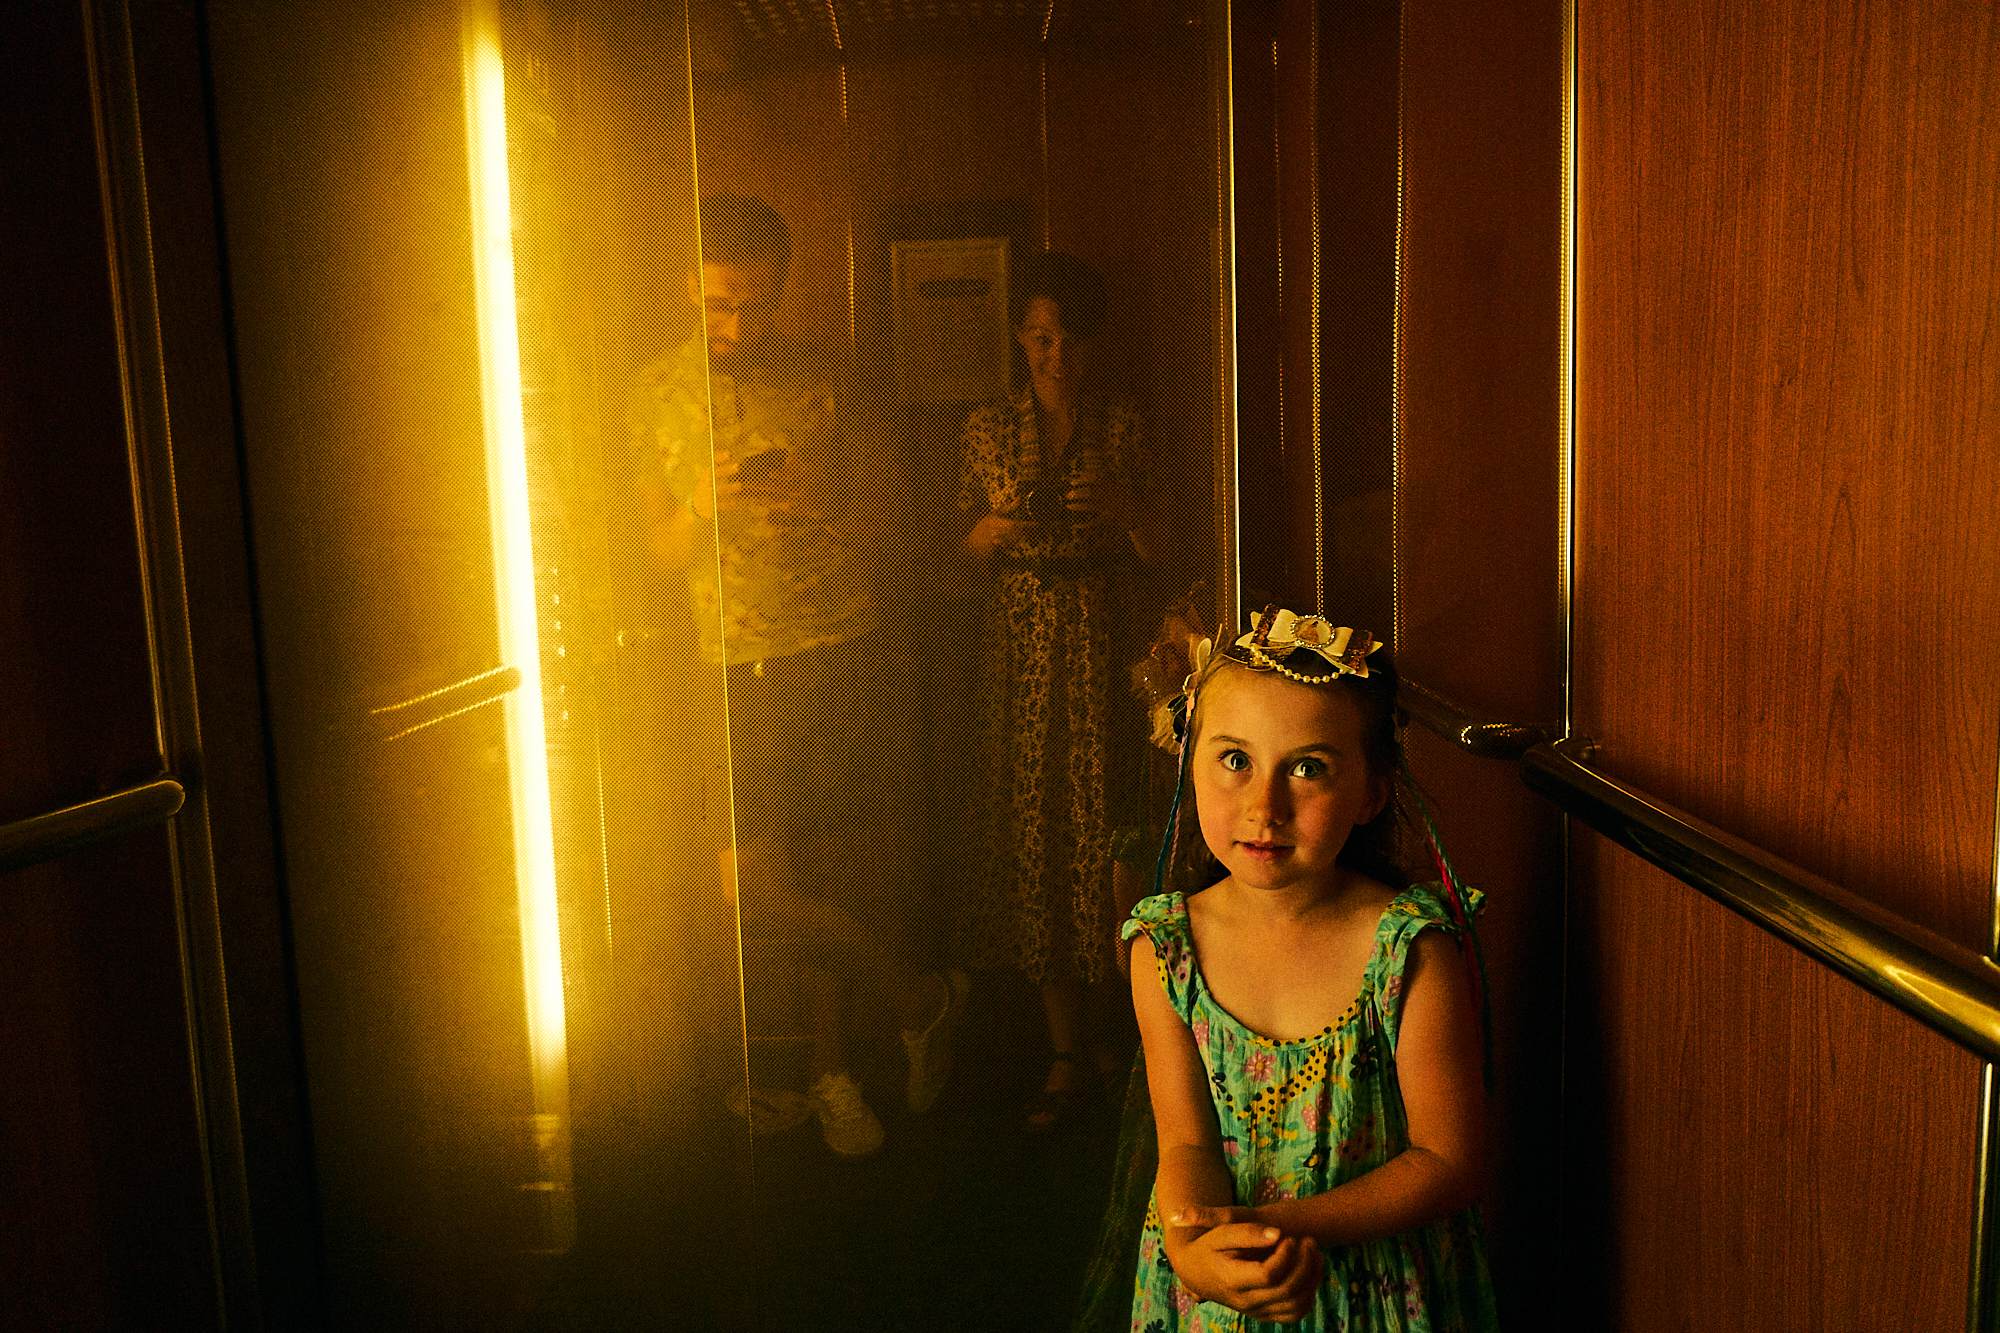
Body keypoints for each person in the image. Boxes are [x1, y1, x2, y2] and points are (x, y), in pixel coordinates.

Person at [628, 194, 969, 1155]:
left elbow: (897, 525)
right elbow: (656, 553)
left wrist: (827, 500)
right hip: (731, 657)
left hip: (839, 644)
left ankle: (831, 1074)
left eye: (754, 307)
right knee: (754, 884)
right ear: (686, 288)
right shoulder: (650, 390)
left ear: (780, 292)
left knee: (833, 870)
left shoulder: (829, 377)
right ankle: (920, 995)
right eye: (716, 305)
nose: (734, 327)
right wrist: (699, 508)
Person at [1122, 608, 1499, 1329]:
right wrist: (1191, 1246)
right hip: (1225, 1285)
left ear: (1371, 792)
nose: (1265, 806)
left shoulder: (1410, 947)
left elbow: (1449, 1158)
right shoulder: (1164, 946)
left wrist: (1280, 1225)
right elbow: (1188, 1143)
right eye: (1235, 759)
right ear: (1188, 760)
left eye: (1308, 767)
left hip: (1379, 1293)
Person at [956, 251, 1156, 1131]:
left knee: (1109, 836)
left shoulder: (1125, 425)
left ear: (1095, 345)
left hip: (1107, 644)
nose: (1054, 355)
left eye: (1070, 339)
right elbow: (952, 554)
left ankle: (1124, 1036)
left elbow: (1167, 547)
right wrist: (993, 528)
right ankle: (1064, 1049)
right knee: (1035, 829)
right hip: (1022, 645)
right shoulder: (987, 429)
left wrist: (1121, 508)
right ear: (1019, 338)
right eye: (1040, 336)